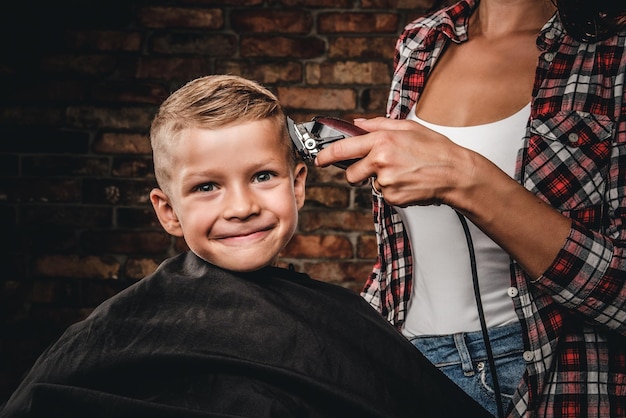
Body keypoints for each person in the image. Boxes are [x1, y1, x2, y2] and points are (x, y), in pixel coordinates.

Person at [0, 75, 491, 418]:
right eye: (207, 187)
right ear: (168, 210)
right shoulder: (119, 330)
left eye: (262, 176)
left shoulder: (340, 315)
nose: (240, 206)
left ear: (298, 185)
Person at [315, 1, 626, 417]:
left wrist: (466, 178)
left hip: (542, 377)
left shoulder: (613, 48)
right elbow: (403, 258)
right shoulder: (421, 40)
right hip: (405, 363)